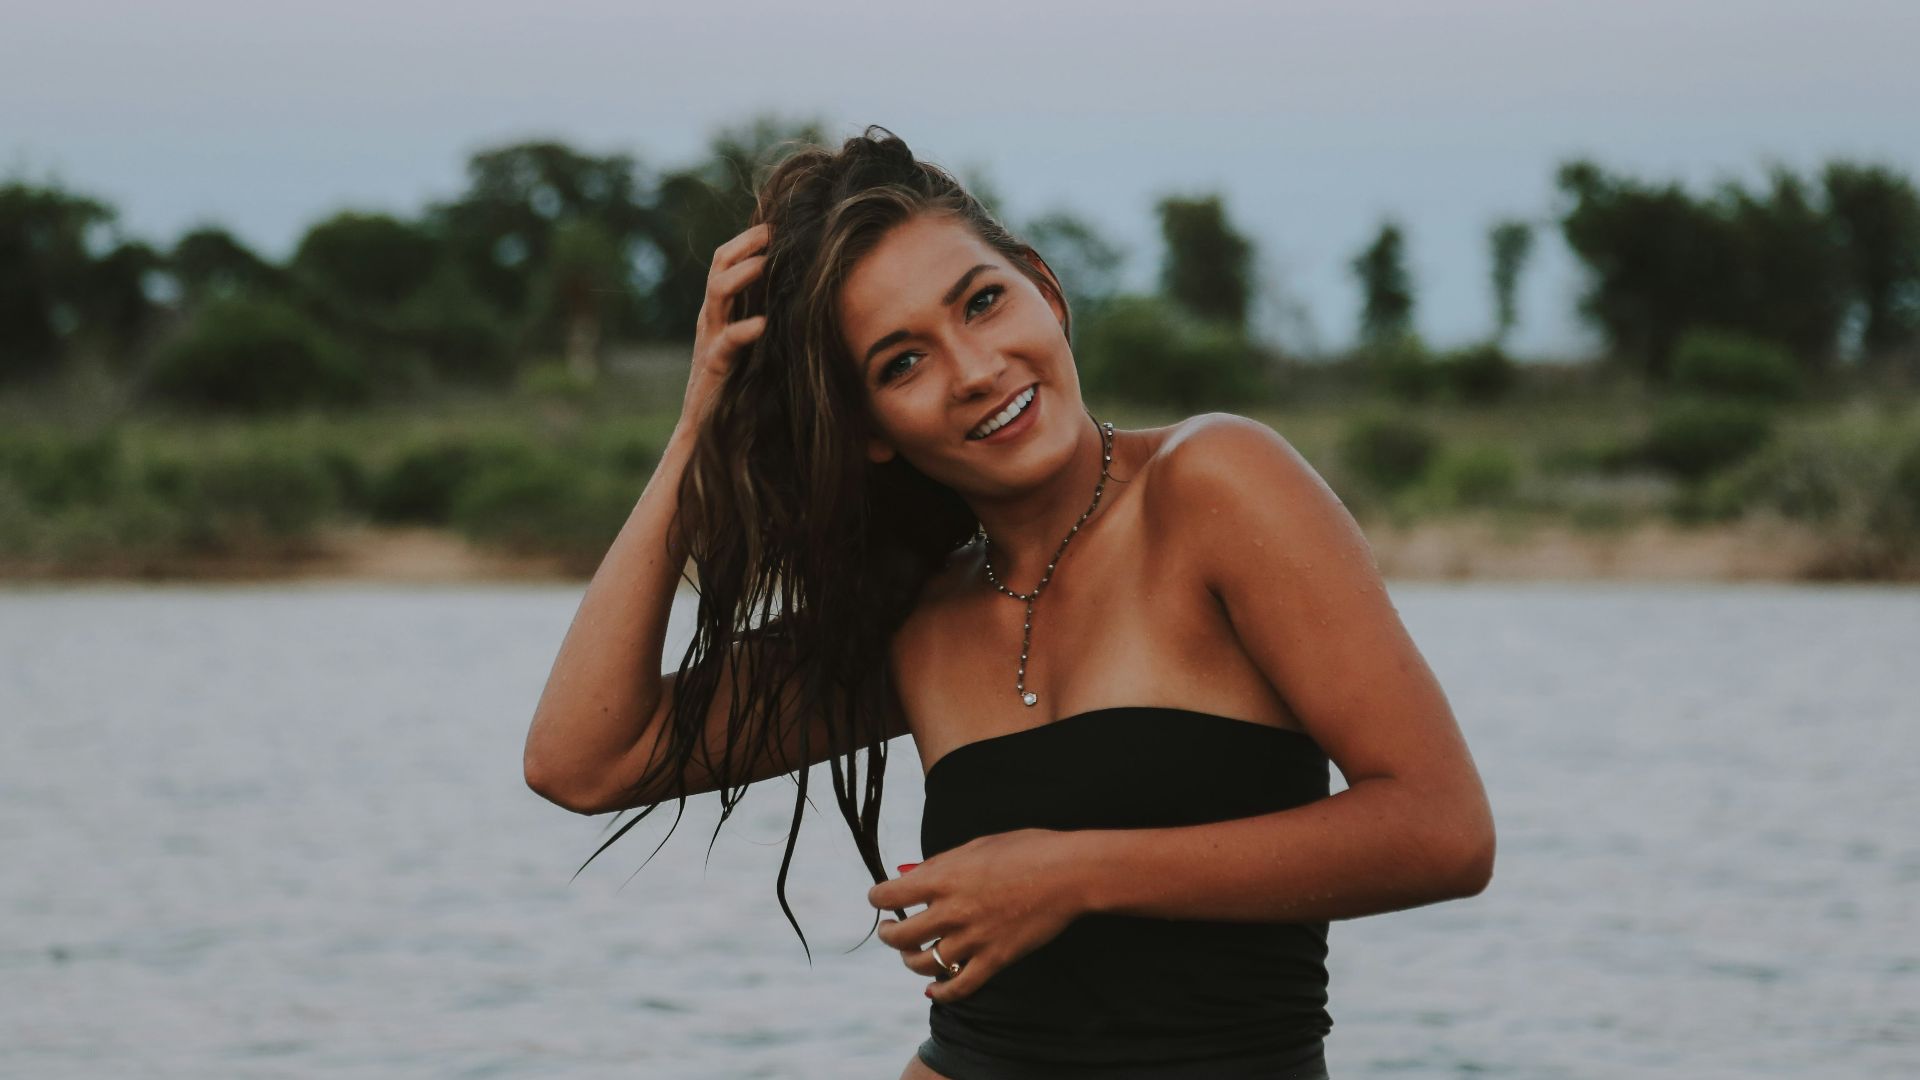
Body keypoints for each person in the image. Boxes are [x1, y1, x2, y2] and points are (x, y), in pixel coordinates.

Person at [523, 126, 1496, 1079]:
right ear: (871, 430)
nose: (975, 369)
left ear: (1046, 289)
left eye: (983, 303)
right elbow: (585, 759)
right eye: (901, 362)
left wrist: (1070, 874)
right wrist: (700, 421)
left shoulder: (1216, 485)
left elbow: (1441, 830)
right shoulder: (917, 615)